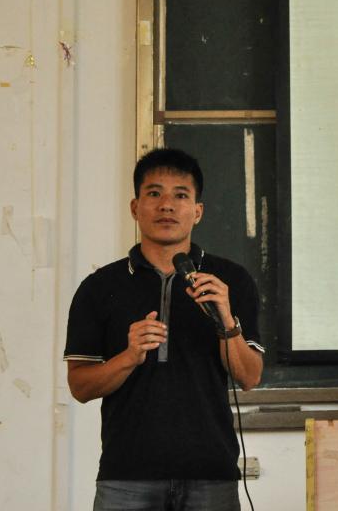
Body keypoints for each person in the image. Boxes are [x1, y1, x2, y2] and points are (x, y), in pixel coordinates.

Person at [64, 148, 264, 511]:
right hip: (126, 477)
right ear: (135, 207)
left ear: (197, 211)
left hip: (211, 476)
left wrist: (227, 321)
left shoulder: (231, 281)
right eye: (154, 193)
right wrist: (128, 357)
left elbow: (249, 377)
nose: (166, 205)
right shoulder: (99, 287)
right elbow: (80, 386)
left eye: (180, 195)